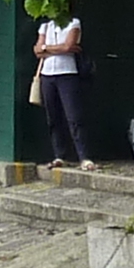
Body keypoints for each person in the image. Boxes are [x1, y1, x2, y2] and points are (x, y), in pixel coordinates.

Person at [32, 10, 91, 169]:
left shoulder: (74, 23)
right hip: (47, 75)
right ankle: (60, 155)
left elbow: (68, 45)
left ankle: (84, 157)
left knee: (74, 116)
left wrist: (46, 48)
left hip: (67, 73)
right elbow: (37, 50)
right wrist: (49, 47)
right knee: (53, 117)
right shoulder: (45, 26)